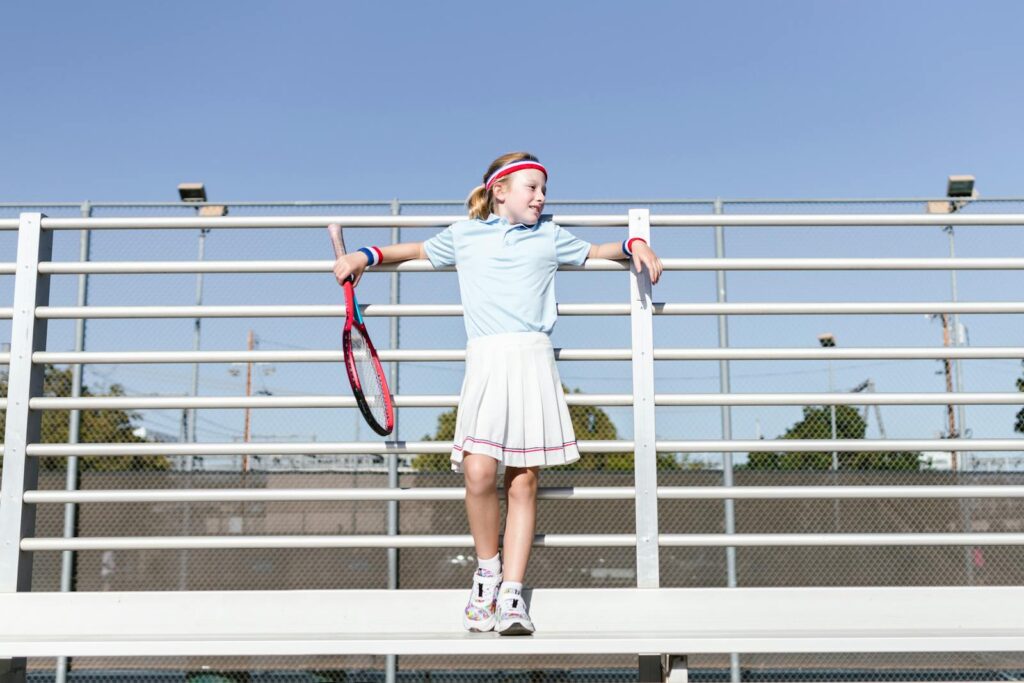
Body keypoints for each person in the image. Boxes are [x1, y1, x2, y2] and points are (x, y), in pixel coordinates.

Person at [332, 152, 663, 635]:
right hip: (486, 361)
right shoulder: (464, 236)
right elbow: (416, 251)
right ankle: (486, 574)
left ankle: (512, 593)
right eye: (532, 188)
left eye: (544, 190)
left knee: (523, 482)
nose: (541, 197)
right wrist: (363, 256)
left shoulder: (549, 235)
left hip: (533, 359)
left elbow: (598, 251)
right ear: (500, 191)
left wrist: (635, 243)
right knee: (479, 472)